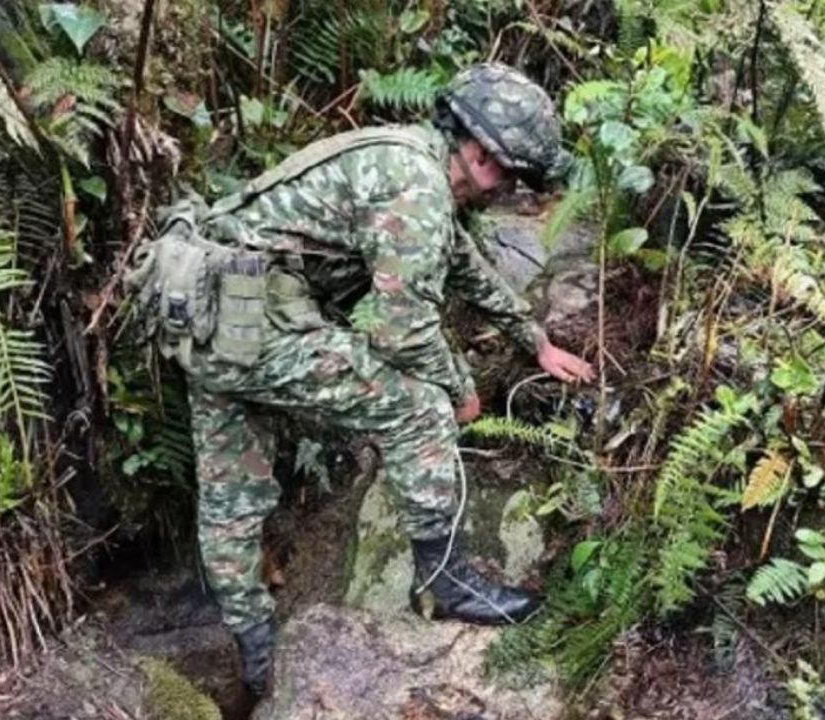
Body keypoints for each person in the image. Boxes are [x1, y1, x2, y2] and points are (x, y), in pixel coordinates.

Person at [125, 62, 595, 697]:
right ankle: (447, 583)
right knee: (419, 407)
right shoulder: (417, 188)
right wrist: (460, 389)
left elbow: (461, 264)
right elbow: (400, 331)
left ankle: (259, 663)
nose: (510, 192)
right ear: (484, 157)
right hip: (248, 311)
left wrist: (532, 341)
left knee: (230, 495)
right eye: (514, 179)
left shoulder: (407, 160)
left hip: (213, 307)